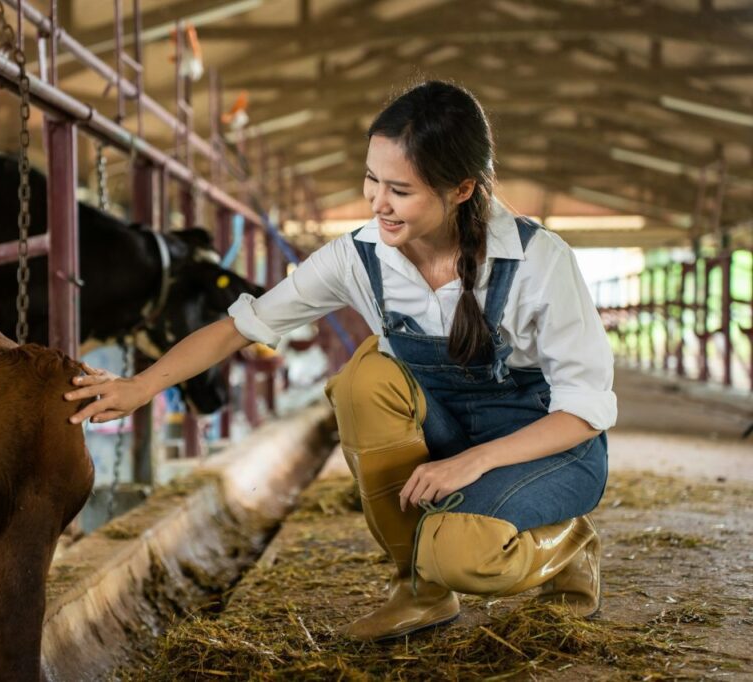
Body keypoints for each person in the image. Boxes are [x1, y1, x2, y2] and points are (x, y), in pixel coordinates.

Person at [65, 81, 615, 642]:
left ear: (462, 188)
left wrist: (473, 463)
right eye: (372, 179)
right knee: (363, 380)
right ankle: (418, 591)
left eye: (400, 190)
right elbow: (240, 327)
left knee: (463, 555)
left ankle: (568, 546)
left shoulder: (538, 260)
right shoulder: (359, 256)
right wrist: (139, 387)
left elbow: (585, 412)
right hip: (449, 434)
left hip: (548, 447)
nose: (378, 202)